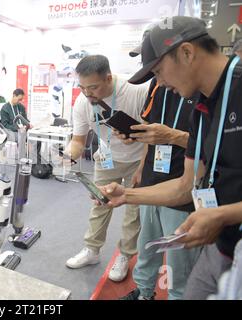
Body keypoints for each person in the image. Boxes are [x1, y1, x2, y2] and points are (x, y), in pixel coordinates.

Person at [100, 16, 242, 299]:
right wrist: (125, 195)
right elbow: (183, 185)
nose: (160, 82)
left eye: (159, 71)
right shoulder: (203, 106)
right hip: (221, 245)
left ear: (187, 52)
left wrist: (223, 214)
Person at [115, 27, 200, 300]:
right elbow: (152, 128)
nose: (155, 73)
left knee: (178, 260)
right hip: (153, 178)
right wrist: (141, 162)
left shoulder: (204, 89)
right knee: (147, 245)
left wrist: (173, 136)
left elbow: (209, 144)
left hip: (183, 185)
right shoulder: (156, 84)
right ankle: (144, 291)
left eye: (157, 65)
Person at [64, 55, 148, 282]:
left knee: (133, 211)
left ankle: (125, 255)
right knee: (99, 202)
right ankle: (91, 250)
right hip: (107, 157)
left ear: (108, 78)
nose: (87, 93)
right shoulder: (82, 103)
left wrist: (143, 166)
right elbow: (78, 141)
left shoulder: (136, 90)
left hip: (138, 158)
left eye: (93, 87)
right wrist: (67, 157)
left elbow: (154, 134)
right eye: (82, 87)